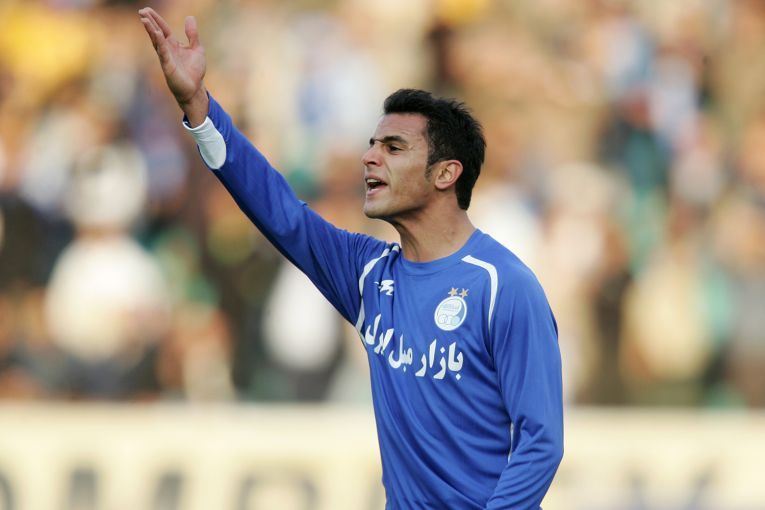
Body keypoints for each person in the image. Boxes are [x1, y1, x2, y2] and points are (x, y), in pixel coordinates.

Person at [139, 7, 563, 509]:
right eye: (371, 144)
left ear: (446, 173)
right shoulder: (368, 275)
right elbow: (278, 210)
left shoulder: (503, 286)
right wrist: (199, 108)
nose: (369, 157)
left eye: (393, 148)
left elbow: (541, 442)